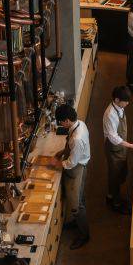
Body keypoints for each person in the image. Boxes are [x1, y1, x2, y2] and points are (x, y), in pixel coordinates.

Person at [52, 104, 90, 250]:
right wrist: (62, 151)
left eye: (61, 122)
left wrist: (56, 163)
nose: (60, 124)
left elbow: (71, 162)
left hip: (76, 169)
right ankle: (76, 222)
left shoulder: (77, 138)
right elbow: (71, 148)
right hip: (77, 163)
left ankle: (84, 235)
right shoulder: (79, 124)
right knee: (78, 198)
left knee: (76, 204)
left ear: (67, 120)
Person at [103, 85, 133, 214]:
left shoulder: (119, 107)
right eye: (126, 101)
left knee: (119, 172)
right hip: (114, 148)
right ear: (117, 99)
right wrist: (131, 145)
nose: (128, 103)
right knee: (115, 174)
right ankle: (116, 204)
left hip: (120, 146)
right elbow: (113, 137)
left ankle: (110, 196)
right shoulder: (110, 114)